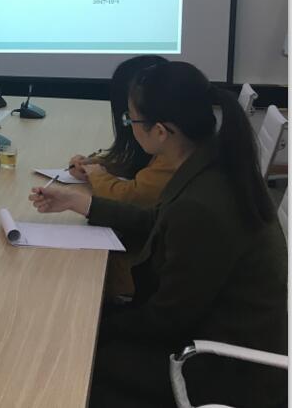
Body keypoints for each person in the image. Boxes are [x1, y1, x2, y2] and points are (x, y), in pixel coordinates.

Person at [30, 62, 287, 408]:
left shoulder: (202, 204)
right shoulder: (210, 162)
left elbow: (166, 321)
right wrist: (81, 203)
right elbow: (158, 220)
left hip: (224, 371)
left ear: (161, 132)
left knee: (70, 360)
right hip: (218, 332)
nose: (128, 126)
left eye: (131, 120)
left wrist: (89, 323)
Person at [68, 55, 174, 295]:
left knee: (73, 270)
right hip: (153, 260)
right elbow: (138, 165)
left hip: (147, 277)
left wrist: (96, 177)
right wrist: (97, 165)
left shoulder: (173, 157)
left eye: (129, 117)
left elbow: (132, 198)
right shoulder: (176, 143)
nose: (126, 123)